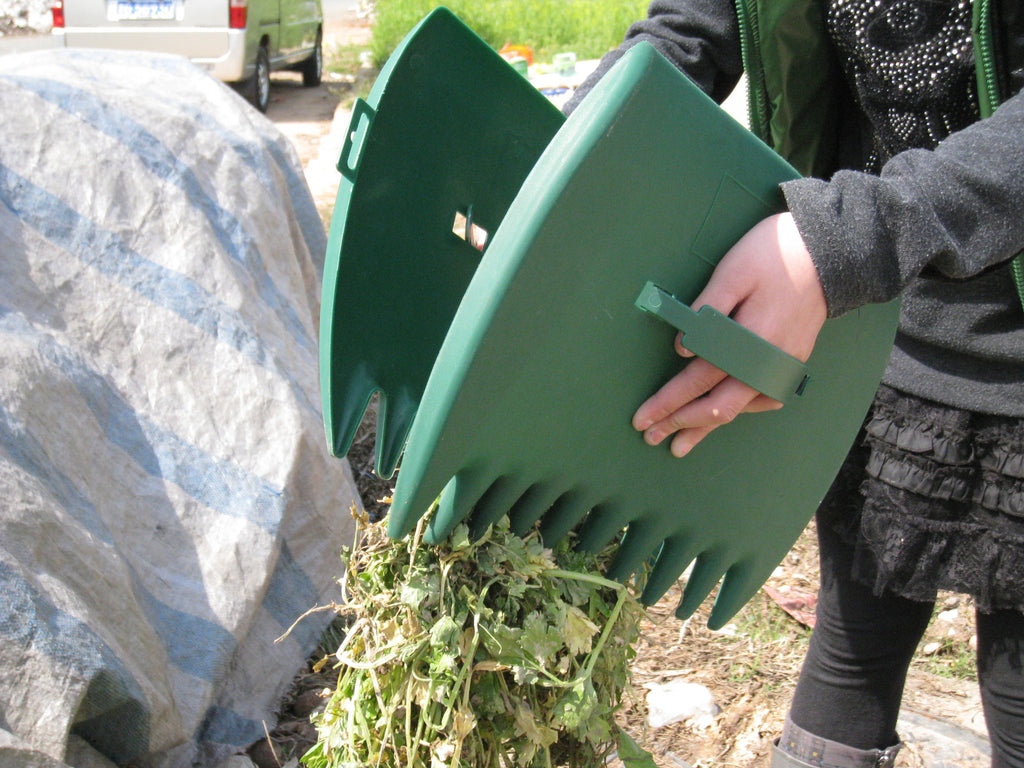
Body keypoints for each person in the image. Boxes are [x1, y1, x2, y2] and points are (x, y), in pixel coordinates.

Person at [564, 1, 1024, 766]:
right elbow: (686, 35)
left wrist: (844, 239)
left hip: (909, 280)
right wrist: (559, 170)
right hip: (876, 313)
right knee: (852, 642)